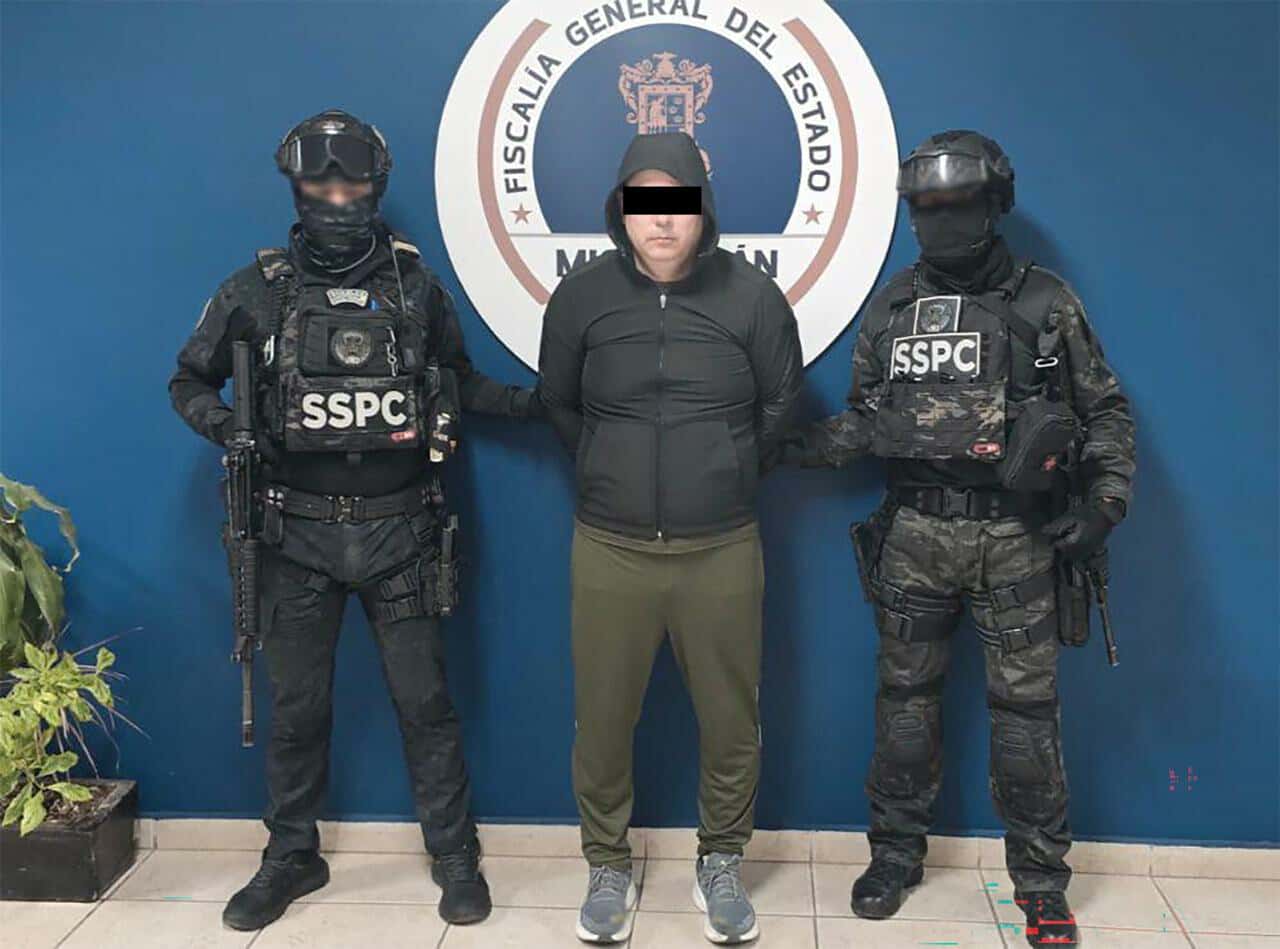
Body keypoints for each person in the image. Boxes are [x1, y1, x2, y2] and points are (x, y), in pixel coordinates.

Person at [168, 109, 542, 931]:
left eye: (353, 184)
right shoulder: (254, 290)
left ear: (375, 187)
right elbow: (187, 380)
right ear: (297, 187)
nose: (338, 198)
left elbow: (459, 382)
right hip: (293, 534)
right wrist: (228, 427)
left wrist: (542, 404)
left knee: (426, 704)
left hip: (401, 531)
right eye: (321, 183)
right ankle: (291, 854)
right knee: (297, 709)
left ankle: (455, 855)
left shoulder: (415, 287)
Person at [784, 130, 1136, 947]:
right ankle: (894, 856)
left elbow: (1106, 412)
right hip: (914, 532)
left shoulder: (1045, 302)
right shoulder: (892, 305)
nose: (940, 219)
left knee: (1026, 717)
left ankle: (1041, 883)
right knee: (903, 708)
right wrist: (780, 445)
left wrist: (1105, 503)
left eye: (958, 204)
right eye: (926, 207)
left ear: (995, 205)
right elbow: (866, 420)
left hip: (1018, 535)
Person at [536, 131, 802, 944]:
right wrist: (605, 464)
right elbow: (559, 402)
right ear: (621, 210)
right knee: (602, 719)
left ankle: (721, 859)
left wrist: (724, 469)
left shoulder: (753, 298)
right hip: (609, 548)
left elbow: (781, 407)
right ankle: (607, 864)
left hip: (721, 547)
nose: (661, 220)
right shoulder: (581, 297)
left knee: (731, 720)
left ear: (702, 208)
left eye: (676, 202)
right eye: (644, 202)